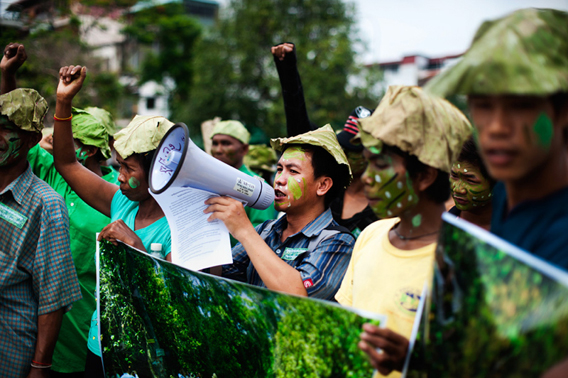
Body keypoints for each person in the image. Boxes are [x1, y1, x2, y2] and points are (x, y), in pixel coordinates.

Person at [335, 85, 472, 377]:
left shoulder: (464, 265)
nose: (368, 178)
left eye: (381, 165)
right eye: (368, 163)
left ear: (424, 176)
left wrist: (414, 360)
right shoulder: (371, 236)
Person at [51, 64, 173, 376]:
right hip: (99, 345)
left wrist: (138, 250)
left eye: (128, 169)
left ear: (160, 170)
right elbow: (66, 161)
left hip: (145, 359)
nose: (118, 177)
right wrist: (63, 102)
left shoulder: (180, 226)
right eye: (118, 166)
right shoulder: (122, 202)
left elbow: (177, 305)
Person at [426, 8, 568, 270]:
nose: (497, 127)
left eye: (521, 105)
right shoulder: (504, 194)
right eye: (483, 104)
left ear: (562, 111)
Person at [206, 125, 355, 300]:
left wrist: (243, 230)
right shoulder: (266, 230)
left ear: (322, 186)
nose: (280, 180)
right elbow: (217, 273)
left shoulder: (339, 242)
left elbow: (299, 295)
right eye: (279, 169)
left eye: (293, 171)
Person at [0, 87, 82, 378]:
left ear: (33, 140)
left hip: (10, 351)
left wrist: (40, 366)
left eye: (7, 130)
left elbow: (53, 296)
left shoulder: (46, 204)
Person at [272, 42, 378, 236]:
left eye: (355, 150)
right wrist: (287, 69)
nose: (347, 154)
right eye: (343, 146)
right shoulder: (330, 188)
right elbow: (299, 128)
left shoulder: (386, 205)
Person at [210, 120, 276, 245]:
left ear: (244, 149)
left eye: (226, 143)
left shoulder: (259, 189)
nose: (218, 150)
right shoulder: (205, 180)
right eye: (214, 143)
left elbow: (262, 235)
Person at [448, 136, 496, 230]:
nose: (458, 189)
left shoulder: (514, 235)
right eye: (454, 176)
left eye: (470, 180)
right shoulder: (439, 226)